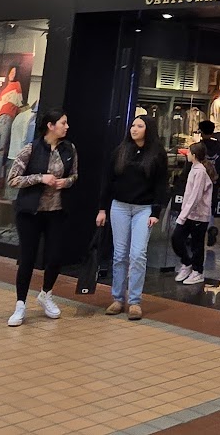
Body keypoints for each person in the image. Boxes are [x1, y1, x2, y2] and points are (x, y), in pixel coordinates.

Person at [5, 109, 78, 327]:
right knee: (27, 258)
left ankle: (46, 294)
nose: (67, 127)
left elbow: (74, 175)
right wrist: (40, 178)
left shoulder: (69, 149)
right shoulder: (31, 149)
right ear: (50, 126)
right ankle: (20, 304)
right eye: (63, 123)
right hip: (30, 212)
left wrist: (65, 182)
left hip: (56, 211)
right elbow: (13, 179)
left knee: (55, 256)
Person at [96, 115, 168, 320]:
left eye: (139, 126)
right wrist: (102, 209)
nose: (134, 129)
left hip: (143, 209)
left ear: (148, 129)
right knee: (119, 255)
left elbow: (161, 184)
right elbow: (108, 181)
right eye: (133, 125)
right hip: (119, 206)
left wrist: (156, 212)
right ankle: (118, 299)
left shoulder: (157, 154)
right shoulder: (121, 151)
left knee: (138, 254)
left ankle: (135, 301)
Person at [171, 142, 216, 284]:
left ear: (194, 155)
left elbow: (195, 196)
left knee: (197, 244)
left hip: (199, 216)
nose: (187, 155)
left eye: (189, 152)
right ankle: (187, 263)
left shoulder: (200, 172)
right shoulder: (194, 169)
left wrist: (182, 215)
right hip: (189, 214)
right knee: (176, 238)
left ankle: (197, 271)